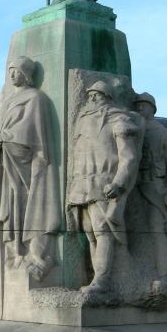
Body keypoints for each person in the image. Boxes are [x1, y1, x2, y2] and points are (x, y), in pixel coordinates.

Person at [0, 56, 60, 281]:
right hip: (6, 166)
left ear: (26, 74)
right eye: (10, 71)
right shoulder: (6, 102)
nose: (12, 75)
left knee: (30, 207)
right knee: (5, 210)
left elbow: (29, 131)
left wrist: (4, 139)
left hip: (27, 165)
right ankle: (12, 253)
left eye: (16, 71)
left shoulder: (35, 98)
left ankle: (35, 254)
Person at [67, 79, 144, 294]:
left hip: (104, 183)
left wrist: (119, 182)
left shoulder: (119, 118)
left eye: (97, 95)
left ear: (108, 98)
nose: (92, 99)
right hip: (81, 183)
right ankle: (97, 277)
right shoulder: (83, 120)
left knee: (103, 231)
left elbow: (129, 157)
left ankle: (102, 279)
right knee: (89, 232)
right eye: (90, 95)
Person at [135, 92, 167, 296]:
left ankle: (163, 277)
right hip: (136, 188)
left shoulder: (164, 134)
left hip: (156, 190)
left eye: (143, 105)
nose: (139, 108)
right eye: (137, 105)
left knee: (158, 234)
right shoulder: (135, 130)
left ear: (152, 109)